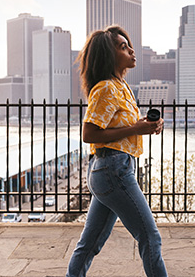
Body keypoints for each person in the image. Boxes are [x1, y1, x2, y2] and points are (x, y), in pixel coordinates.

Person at [66, 25, 167, 277]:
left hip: (112, 169)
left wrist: (145, 126)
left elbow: (123, 127)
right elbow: (89, 134)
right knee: (150, 237)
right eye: (123, 47)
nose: (131, 50)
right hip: (113, 169)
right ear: (109, 56)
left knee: (90, 243)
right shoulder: (106, 88)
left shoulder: (121, 88)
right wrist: (135, 128)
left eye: (128, 45)